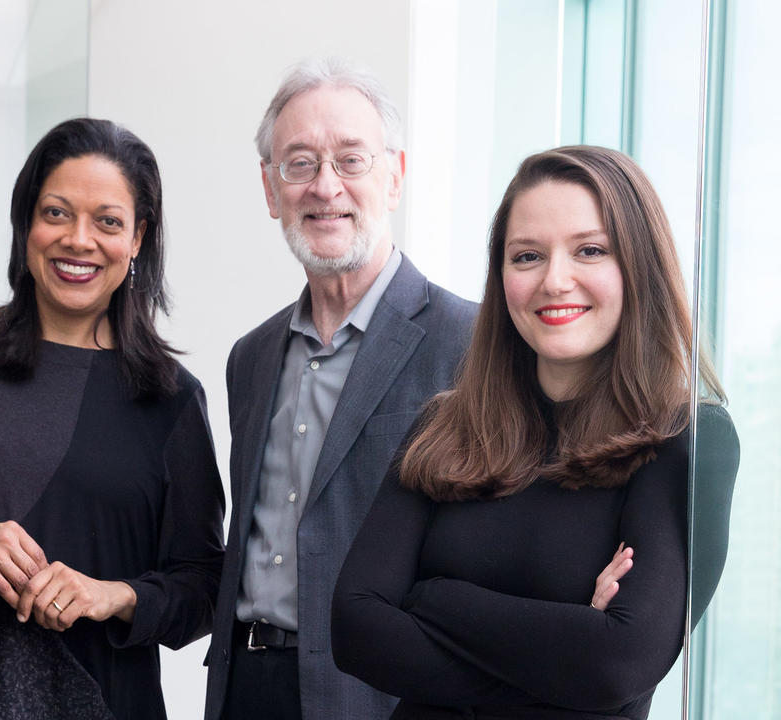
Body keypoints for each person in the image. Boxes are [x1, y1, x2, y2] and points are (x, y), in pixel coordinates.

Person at [330, 145, 741, 720]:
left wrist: (434, 599)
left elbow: (616, 664)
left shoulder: (687, 440)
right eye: (526, 256)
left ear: (638, 267)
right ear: (502, 276)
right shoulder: (446, 427)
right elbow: (354, 629)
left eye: (590, 250)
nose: (555, 280)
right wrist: (564, 660)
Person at [0, 117, 225, 720]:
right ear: (25, 224)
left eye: (107, 221)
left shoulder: (172, 399)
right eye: (56, 213)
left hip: (100, 699)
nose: (79, 239)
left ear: (137, 239)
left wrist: (114, 595)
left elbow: (204, 587)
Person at [203, 58, 479, 720]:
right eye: (299, 164)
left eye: (351, 160)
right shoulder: (252, 357)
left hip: (380, 696)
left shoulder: (470, 345)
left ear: (394, 177)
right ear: (271, 190)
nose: (326, 187)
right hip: (244, 686)